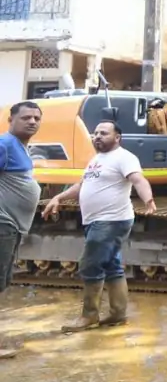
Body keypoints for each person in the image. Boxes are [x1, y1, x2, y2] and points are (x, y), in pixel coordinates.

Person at [44, 121, 156, 333]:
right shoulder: (97, 159)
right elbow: (82, 185)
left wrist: (148, 200)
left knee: (90, 265)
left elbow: (138, 179)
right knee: (111, 265)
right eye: (95, 133)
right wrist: (59, 197)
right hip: (96, 220)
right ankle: (117, 315)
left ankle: (89, 316)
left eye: (103, 133)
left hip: (111, 220)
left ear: (117, 137)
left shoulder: (124, 157)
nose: (97, 136)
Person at [0, 102, 42, 359]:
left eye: (37, 117)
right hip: (2, 222)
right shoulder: (5, 144)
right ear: (11, 119)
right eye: (26, 117)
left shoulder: (21, 147)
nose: (32, 121)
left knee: (2, 281)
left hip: (11, 225)